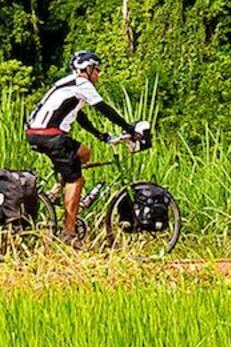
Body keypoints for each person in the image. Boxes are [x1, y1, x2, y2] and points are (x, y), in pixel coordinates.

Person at [24, 49, 144, 240]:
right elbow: (104, 109)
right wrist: (129, 129)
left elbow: (79, 115)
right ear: (87, 69)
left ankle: (55, 192)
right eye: (96, 69)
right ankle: (69, 233)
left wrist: (99, 135)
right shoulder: (82, 83)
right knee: (77, 180)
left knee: (84, 153)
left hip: (36, 133)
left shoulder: (66, 83)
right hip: (52, 135)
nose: (98, 74)